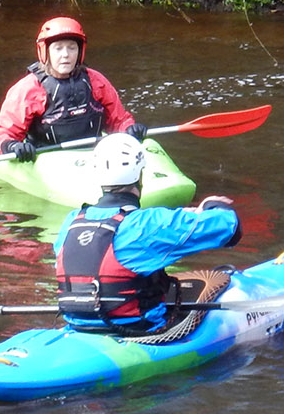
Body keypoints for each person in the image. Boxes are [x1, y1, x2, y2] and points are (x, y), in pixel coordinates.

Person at [55, 133, 242, 333]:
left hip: (78, 326)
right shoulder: (148, 223)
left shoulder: (71, 221)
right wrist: (210, 205)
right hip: (138, 330)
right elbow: (230, 228)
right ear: (140, 175)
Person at [0, 16, 146, 161]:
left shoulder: (96, 81)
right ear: (45, 52)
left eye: (72, 48)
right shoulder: (29, 88)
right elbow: (4, 135)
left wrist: (130, 129)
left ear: (80, 51)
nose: (66, 54)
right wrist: (12, 146)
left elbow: (119, 121)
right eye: (58, 48)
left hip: (94, 154)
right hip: (47, 159)